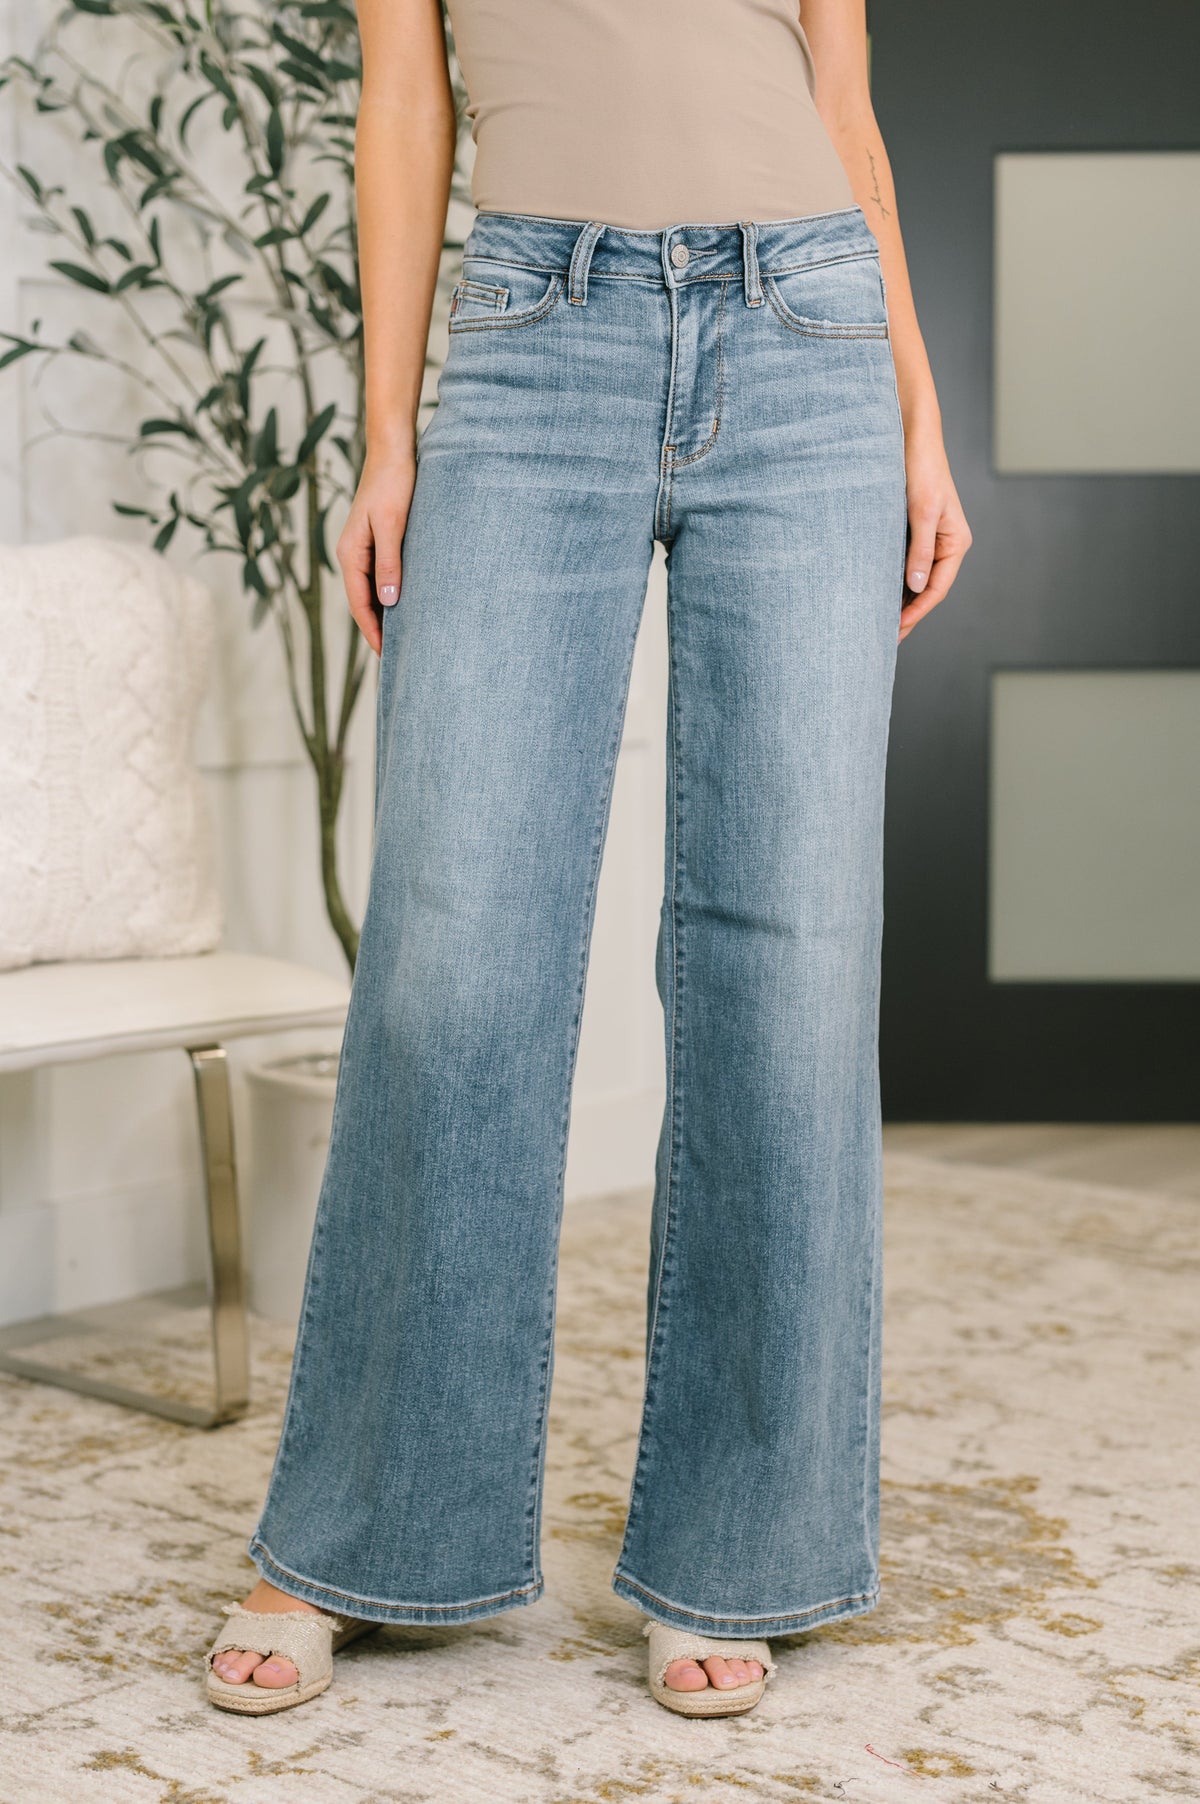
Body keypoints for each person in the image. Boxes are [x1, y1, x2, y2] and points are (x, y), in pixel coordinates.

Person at [206, 0, 971, 1719]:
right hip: (534, 331)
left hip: (809, 335)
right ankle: (366, 1534)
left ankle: (742, 1550)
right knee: (455, 941)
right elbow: (401, 98)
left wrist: (920, 409)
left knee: (789, 951)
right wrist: (387, 430)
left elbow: (842, 105)